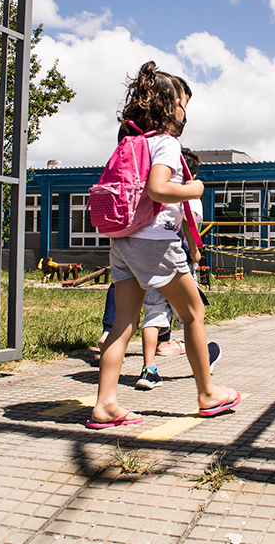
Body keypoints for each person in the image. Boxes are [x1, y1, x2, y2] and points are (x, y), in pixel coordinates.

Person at [88, 61, 240, 429]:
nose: (185, 111)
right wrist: (195, 188)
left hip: (123, 241)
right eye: (183, 104)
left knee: (123, 323)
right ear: (170, 108)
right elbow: (159, 188)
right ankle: (207, 394)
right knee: (194, 314)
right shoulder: (167, 144)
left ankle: (106, 403)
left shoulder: (131, 141)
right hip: (156, 243)